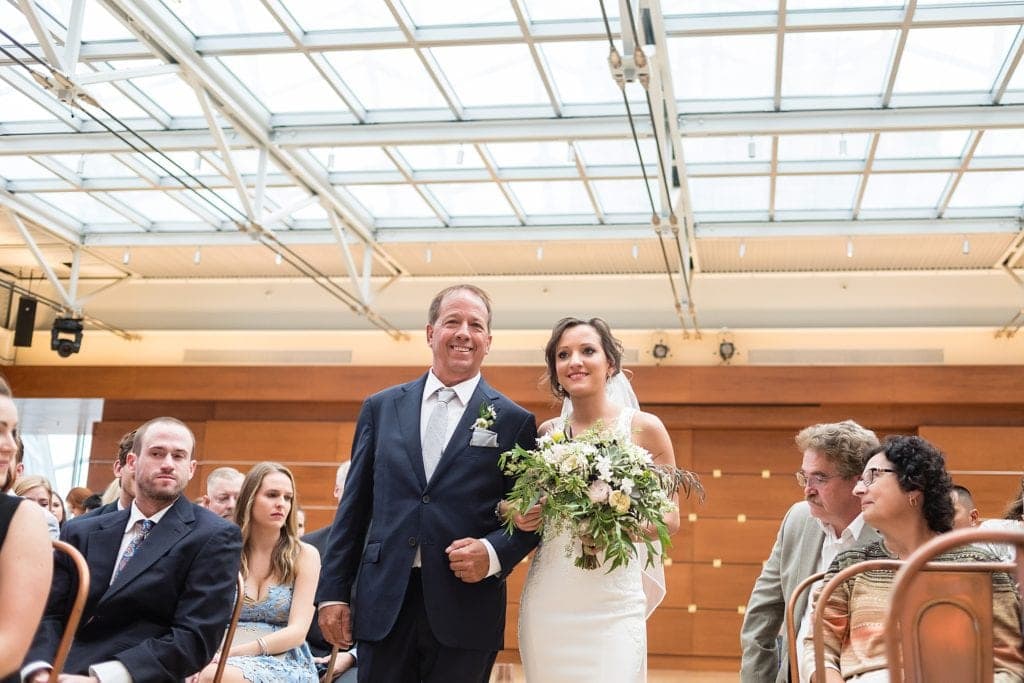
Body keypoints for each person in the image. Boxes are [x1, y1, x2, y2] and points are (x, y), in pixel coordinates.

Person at [316, 284, 539, 682]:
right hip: (384, 602)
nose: (464, 333)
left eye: (476, 325)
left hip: (466, 607)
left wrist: (491, 552)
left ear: (488, 341)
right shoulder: (381, 408)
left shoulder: (514, 421)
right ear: (430, 332)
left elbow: (531, 517)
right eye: (452, 321)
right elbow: (354, 508)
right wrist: (333, 591)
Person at [501, 316, 684, 681]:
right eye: (563, 355)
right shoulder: (548, 434)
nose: (575, 362)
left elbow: (669, 519)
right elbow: (520, 503)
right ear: (555, 371)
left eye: (588, 351)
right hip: (550, 600)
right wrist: (518, 512)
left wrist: (615, 526)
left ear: (610, 363)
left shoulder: (645, 429)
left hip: (612, 604)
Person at [23, 416, 243, 682]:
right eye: (157, 453)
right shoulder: (81, 531)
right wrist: (40, 670)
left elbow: (194, 638)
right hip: (57, 667)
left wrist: (100, 679)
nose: (168, 464)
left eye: (179, 456)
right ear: (132, 462)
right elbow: (49, 613)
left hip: (135, 674)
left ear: (191, 468)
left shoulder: (214, 536)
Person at [804, 435, 1024, 682]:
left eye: (872, 476)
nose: (858, 489)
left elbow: (1007, 666)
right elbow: (818, 651)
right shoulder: (851, 566)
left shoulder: (979, 567)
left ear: (914, 486)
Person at [740, 420, 880, 683]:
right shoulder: (798, 519)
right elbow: (763, 612)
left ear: (858, 480)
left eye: (820, 478)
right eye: (805, 477)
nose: (808, 490)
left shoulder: (889, 532)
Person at [193, 462, 319, 683]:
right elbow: (201, 615)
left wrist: (235, 653)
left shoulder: (305, 555)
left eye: (287, 497)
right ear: (250, 498)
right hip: (219, 649)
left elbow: (298, 631)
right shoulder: (223, 549)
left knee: (213, 676)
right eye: (272, 495)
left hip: (281, 658)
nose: (281, 504)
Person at [0, 377, 52, 682]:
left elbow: (9, 648)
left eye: (13, 431)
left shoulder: (24, 518)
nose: (10, 445)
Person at [303, 462, 356, 682]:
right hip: (302, 652)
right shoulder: (306, 546)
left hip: (361, 659)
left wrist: (352, 657)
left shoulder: (393, 552)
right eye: (352, 488)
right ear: (336, 491)